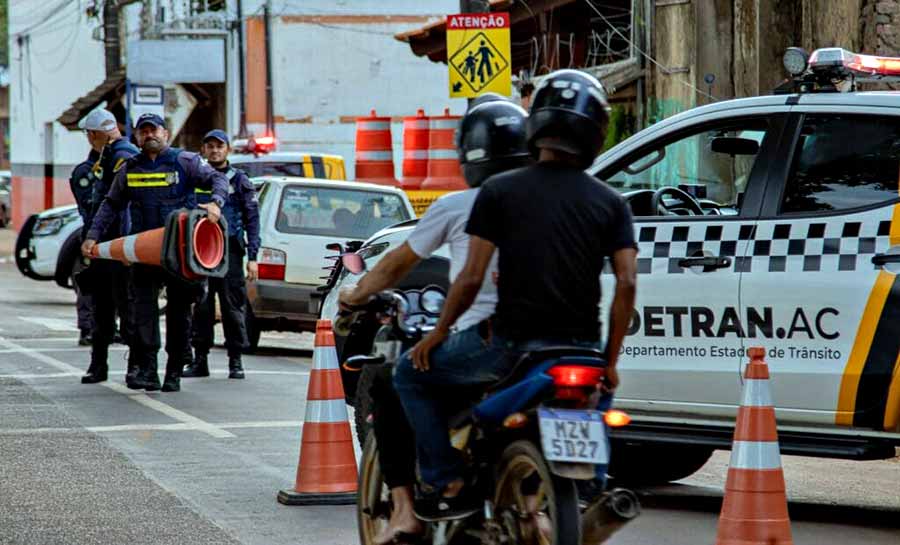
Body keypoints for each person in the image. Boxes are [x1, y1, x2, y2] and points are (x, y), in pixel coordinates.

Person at [393, 69, 639, 520]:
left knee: (409, 374)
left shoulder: (500, 191)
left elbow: (469, 278)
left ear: (536, 125)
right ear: (596, 131)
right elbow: (626, 284)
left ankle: (446, 476)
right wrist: (611, 360)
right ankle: (590, 489)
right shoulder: (611, 202)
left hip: (510, 348)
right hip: (581, 351)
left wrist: (437, 334)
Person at [340, 98, 532, 542]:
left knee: (398, 380)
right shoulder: (552, 200)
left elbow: (398, 266)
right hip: (558, 339)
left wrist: (354, 295)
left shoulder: (460, 205)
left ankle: (424, 495)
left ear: (469, 155)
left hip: (489, 338)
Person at [81, 113, 228, 393]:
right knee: (142, 312)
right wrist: (92, 236)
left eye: (153, 130)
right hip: (144, 253)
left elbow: (218, 181)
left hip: (179, 252)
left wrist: (215, 203)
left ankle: (173, 372)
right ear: (136, 136)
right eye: (143, 131)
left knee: (179, 312)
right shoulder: (130, 167)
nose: (149, 135)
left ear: (165, 132)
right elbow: (111, 204)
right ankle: (148, 369)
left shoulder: (185, 161)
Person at [184, 129, 260, 380]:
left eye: (219, 146)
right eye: (210, 146)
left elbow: (252, 219)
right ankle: (200, 360)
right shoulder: (195, 178)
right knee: (201, 307)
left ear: (227, 149)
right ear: (203, 150)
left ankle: (235, 361)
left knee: (232, 307)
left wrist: (253, 257)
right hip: (200, 251)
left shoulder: (239, 180)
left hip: (231, 253)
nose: (215, 150)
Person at [77, 109, 140, 385]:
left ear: (96, 134)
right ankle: (98, 365)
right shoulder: (109, 155)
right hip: (105, 246)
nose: (90, 141)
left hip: (117, 247)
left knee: (127, 309)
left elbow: (121, 205)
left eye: (90, 135)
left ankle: (135, 367)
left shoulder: (122, 155)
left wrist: (124, 245)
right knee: (102, 309)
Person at [69, 133, 102, 347]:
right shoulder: (85, 172)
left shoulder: (118, 167)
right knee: (89, 282)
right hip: (93, 234)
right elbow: (89, 204)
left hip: (115, 233)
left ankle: (109, 326)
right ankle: (87, 328)